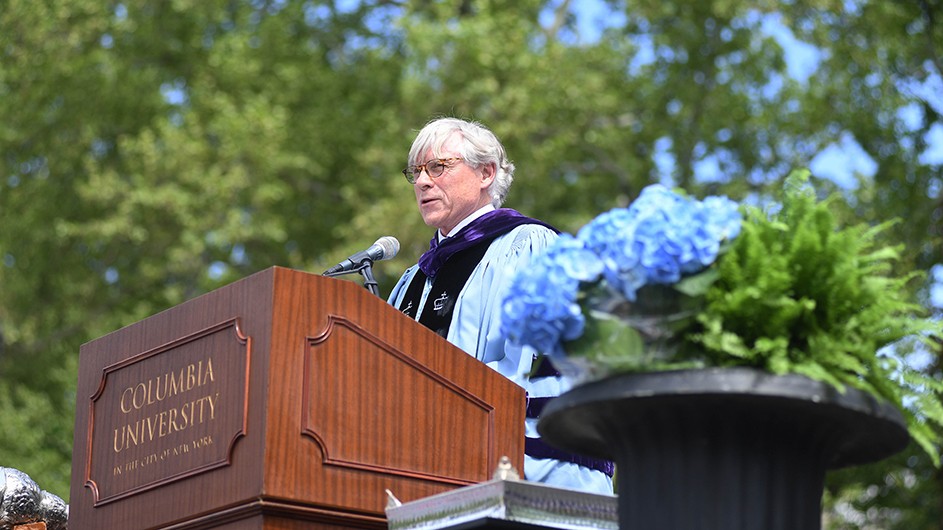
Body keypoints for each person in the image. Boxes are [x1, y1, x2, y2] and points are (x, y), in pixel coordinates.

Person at [388, 117, 614, 494]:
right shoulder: (412, 282)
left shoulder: (528, 247)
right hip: (425, 482)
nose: (424, 181)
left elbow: (525, 374)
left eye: (439, 167)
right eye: (417, 171)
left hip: (520, 478)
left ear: (486, 173)